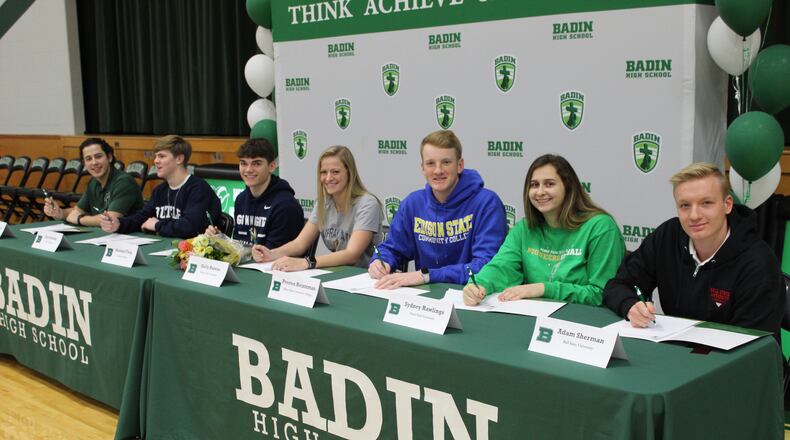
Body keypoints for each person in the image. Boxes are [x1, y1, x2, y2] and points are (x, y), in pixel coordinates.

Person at [603, 163, 784, 332]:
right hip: (677, 351)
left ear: (727, 205)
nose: (694, 215)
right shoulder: (667, 236)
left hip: (738, 361)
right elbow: (618, 285)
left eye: (706, 203)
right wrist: (630, 305)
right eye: (685, 205)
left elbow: (753, 344)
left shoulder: (758, 262)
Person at [463, 154, 624, 306]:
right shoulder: (524, 229)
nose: (540, 192)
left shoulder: (601, 227)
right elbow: (501, 268)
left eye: (549, 184)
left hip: (586, 327)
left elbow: (602, 294)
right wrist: (477, 285)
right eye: (534, 185)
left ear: (568, 187)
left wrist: (542, 289)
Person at [368, 129, 508, 288]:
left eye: (446, 162)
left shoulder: (487, 203)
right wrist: (381, 262)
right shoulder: (413, 203)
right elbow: (392, 248)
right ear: (422, 168)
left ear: (460, 165)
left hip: (474, 296)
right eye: (430, 163)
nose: (438, 170)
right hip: (427, 299)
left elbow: (486, 266)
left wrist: (427, 275)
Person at [252, 145, 383, 270]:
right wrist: (271, 254)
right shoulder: (324, 203)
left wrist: (306, 262)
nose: (328, 178)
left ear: (350, 173)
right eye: (323, 172)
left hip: (366, 279)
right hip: (337, 274)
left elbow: (352, 254)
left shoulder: (367, 204)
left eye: (335, 172)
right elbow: (300, 244)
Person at [100, 135, 221, 238]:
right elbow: (142, 218)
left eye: (162, 156)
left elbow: (191, 227)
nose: (156, 161)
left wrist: (157, 225)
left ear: (179, 158)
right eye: (156, 156)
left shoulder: (199, 189)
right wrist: (119, 224)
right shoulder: (160, 190)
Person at [205, 138, 302, 247]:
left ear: (271, 167)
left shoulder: (285, 205)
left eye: (256, 164)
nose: (248, 170)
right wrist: (220, 240)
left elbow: (273, 255)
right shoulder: (241, 199)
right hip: (248, 262)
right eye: (243, 163)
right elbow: (240, 247)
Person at [43, 138, 143, 226]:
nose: (94, 162)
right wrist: (59, 212)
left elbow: (110, 219)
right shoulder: (93, 183)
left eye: (98, 156)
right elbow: (76, 211)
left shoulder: (124, 182)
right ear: (84, 163)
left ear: (109, 157)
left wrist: (80, 219)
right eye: (88, 159)